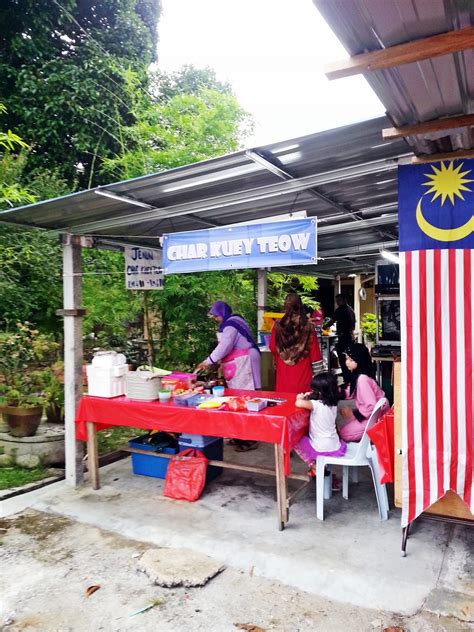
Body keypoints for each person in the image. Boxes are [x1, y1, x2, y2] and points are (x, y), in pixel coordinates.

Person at [196, 301, 261, 390]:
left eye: (216, 316)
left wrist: (208, 361)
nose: (215, 319)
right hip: (249, 355)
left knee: (246, 390)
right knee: (254, 388)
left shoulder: (230, 326)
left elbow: (224, 347)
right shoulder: (236, 320)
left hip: (245, 359)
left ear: (223, 313)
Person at [270, 293, 323, 393]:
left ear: (285, 306)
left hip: (283, 374)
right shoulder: (308, 326)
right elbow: (315, 354)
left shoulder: (277, 325)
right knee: (302, 405)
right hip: (303, 374)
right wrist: (319, 379)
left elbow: (273, 347)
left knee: (284, 404)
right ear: (300, 305)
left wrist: (280, 358)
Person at [294, 372, 346, 471]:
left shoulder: (316, 404)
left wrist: (300, 398)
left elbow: (298, 403)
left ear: (320, 393)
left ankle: (313, 465)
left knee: (295, 440)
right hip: (334, 444)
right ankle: (320, 467)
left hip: (320, 446)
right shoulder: (333, 404)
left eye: (313, 390)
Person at [338, 343, 388, 443]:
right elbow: (350, 391)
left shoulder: (362, 379)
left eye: (351, 360)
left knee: (344, 433)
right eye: (346, 358)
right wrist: (336, 391)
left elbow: (370, 406)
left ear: (360, 360)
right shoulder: (359, 375)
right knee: (341, 424)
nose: (347, 362)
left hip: (376, 418)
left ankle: (374, 435)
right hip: (370, 415)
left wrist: (353, 414)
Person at [326, 293, 356, 384]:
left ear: (344, 300)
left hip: (344, 337)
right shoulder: (350, 309)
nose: (337, 303)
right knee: (349, 359)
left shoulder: (341, 310)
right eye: (337, 301)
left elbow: (331, 321)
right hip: (350, 337)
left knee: (343, 359)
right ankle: (350, 380)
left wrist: (324, 326)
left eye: (339, 301)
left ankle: (347, 380)